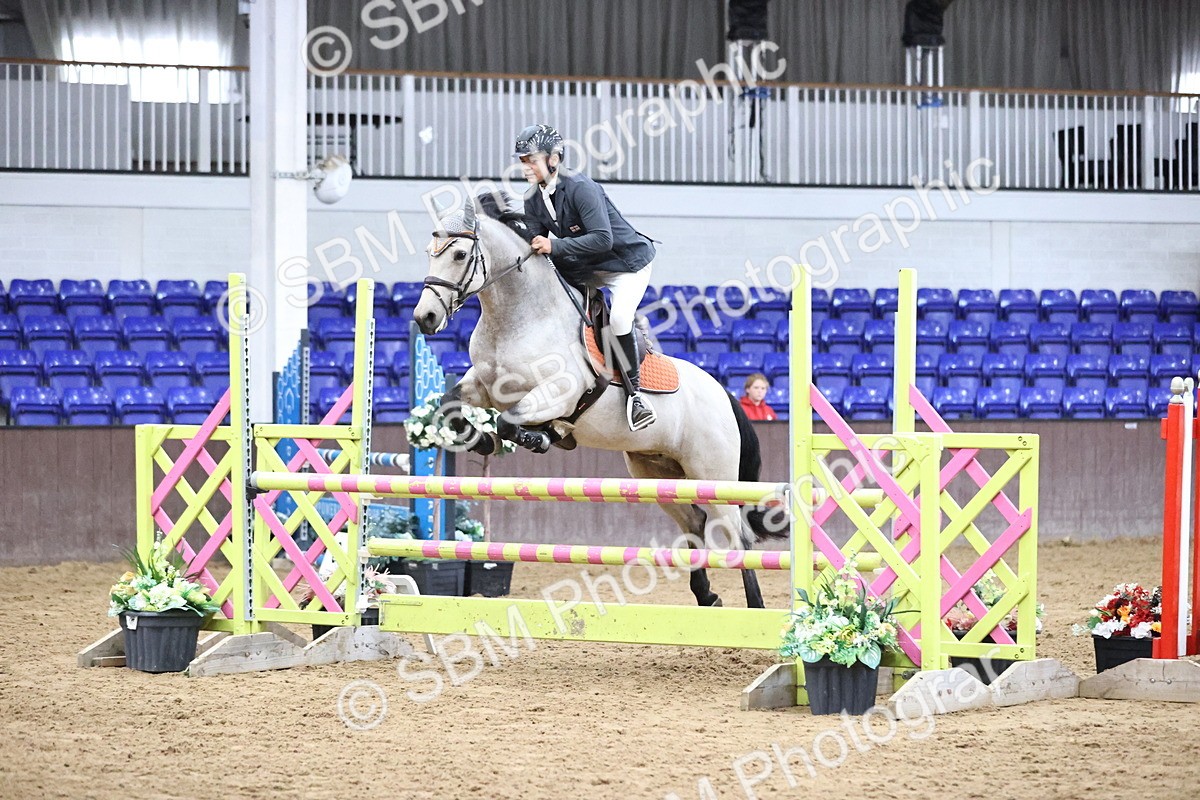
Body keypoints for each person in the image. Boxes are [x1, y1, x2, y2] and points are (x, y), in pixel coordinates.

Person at [512, 123, 658, 432]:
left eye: (532, 159)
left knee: (619, 318)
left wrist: (555, 245)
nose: (526, 167)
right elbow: (537, 248)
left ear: (554, 159)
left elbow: (603, 239)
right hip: (586, 265)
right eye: (523, 161)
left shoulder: (581, 187)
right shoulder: (532, 199)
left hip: (626, 264)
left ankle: (635, 396)